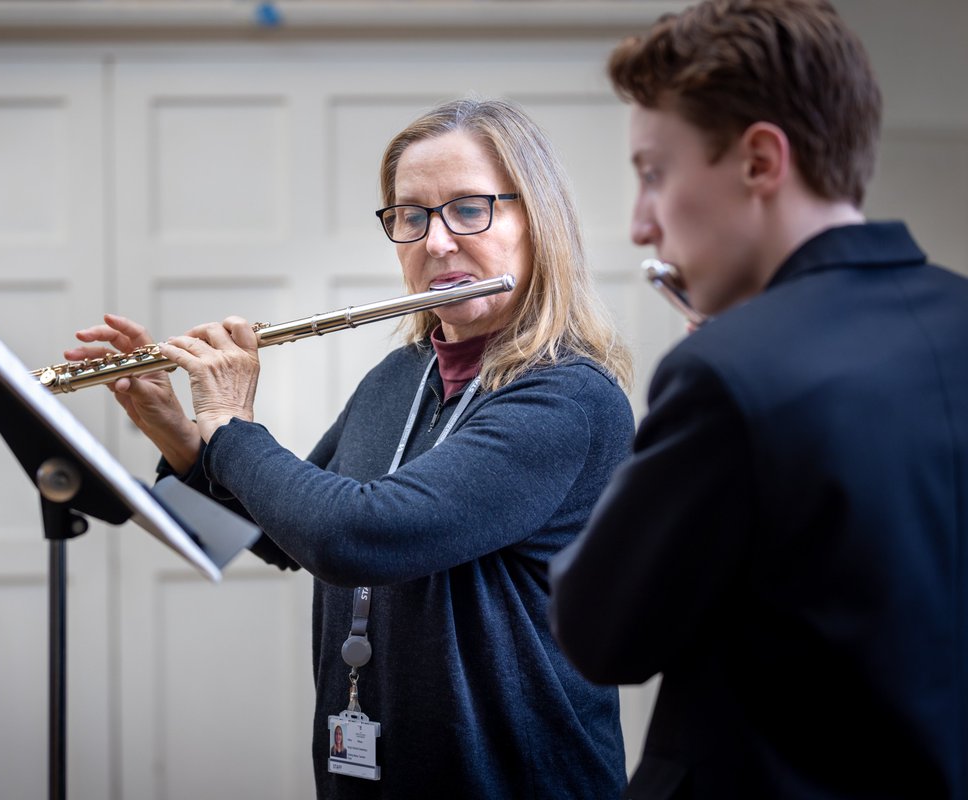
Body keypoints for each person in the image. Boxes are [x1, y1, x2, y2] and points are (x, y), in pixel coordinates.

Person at [68, 98, 635, 798]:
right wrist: (177, 430)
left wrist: (233, 421)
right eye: (412, 215)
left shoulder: (567, 399)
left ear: (537, 222)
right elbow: (283, 534)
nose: (436, 243)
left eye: (469, 208)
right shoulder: (400, 375)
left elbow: (353, 538)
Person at [548, 1, 968, 798]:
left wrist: (716, 354)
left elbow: (601, 636)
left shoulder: (726, 373)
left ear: (760, 162)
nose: (641, 225)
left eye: (652, 173)